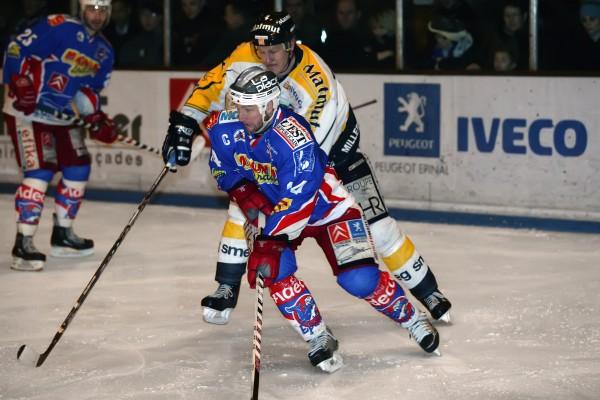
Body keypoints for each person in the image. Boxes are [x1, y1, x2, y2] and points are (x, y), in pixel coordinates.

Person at [178, 12, 452, 326]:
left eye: (274, 51)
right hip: (283, 159)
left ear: (292, 44)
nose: (266, 59)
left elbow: (305, 156)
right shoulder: (245, 54)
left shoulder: (315, 81)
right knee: (244, 208)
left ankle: (428, 291)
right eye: (261, 52)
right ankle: (227, 285)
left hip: (335, 161)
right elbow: (212, 87)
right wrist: (185, 122)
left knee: (379, 228)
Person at [162, 66, 441, 368]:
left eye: (250, 109)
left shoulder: (294, 139)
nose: (242, 116)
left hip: (328, 211)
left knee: (359, 279)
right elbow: (227, 173)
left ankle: (412, 318)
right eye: (238, 106)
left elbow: (298, 202)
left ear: (270, 105)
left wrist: (268, 241)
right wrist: (251, 207)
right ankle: (318, 335)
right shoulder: (224, 127)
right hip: (275, 214)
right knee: (275, 272)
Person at [2, 0, 118, 271]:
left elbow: (88, 92)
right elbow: (15, 48)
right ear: (81, 9)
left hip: (61, 117)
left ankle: (62, 235)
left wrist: (95, 118)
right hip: (27, 112)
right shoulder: (59, 27)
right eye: (92, 9)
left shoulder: (104, 51)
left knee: (78, 166)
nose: (97, 15)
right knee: (40, 171)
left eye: (102, 10)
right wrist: (19, 82)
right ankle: (24, 241)